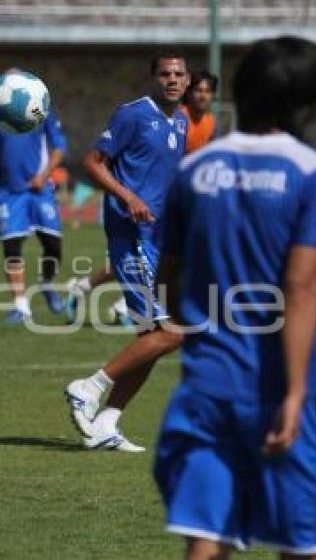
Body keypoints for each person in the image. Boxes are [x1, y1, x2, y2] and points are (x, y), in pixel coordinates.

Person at [154, 36, 316, 557]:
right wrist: (293, 395)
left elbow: (167, 272)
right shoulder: (315, 173)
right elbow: (300, 285)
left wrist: (191, 324)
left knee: (208, 534)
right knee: (302, 540)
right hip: (279, 388)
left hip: (207, 385)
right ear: (308, 101)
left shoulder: (194, 171)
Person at [63, 49, 189, 451]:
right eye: (166, 74)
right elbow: (92, 162)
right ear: (155, 78)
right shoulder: (133, 114)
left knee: (150, 339)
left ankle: (106, 424)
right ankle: (88, 387)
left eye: (179, 74)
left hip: (160, 240)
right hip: (131, 235)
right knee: (170, 333)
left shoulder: (182, 121)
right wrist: (127, 197)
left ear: (186, 80)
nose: (172, 79)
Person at [0, 82, 68, 323]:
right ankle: (21, 307)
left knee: (53, 245)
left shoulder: (40, 113)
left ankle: (46, 282)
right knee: (12, 247)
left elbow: (60, 147)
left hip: (41, 190)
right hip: (9, 194)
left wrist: (43, 176)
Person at [182, 69, 218, 154]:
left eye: (207, 91)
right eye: (198, 90)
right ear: (188, 93)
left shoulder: (210, 121)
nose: (203, 96)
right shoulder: (178, 118)